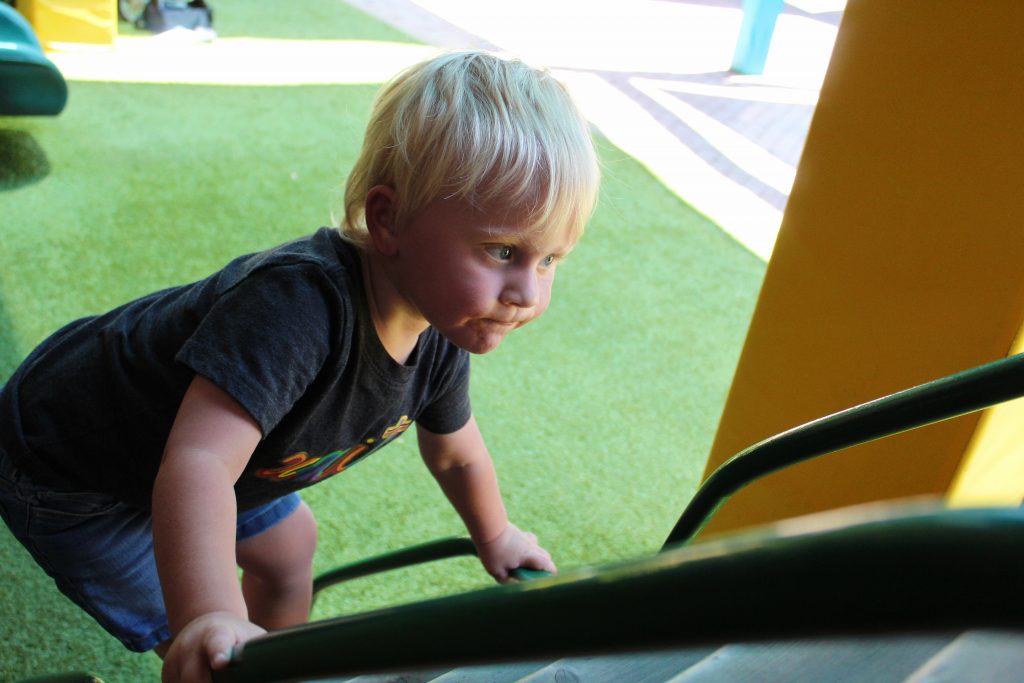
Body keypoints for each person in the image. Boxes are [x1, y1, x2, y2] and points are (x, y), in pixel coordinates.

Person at [0, 49, 600, 682]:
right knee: (206, 650)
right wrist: (210, 614)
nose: (527, 293)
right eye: (502, 250)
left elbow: (456, 453)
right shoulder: (296, 310)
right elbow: (199, 464)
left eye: (549, 260)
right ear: (389, 219)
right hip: (78, 468)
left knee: (290, 551)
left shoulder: (442, 327)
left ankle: (282, 666)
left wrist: (496, 534)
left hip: (216, 462)